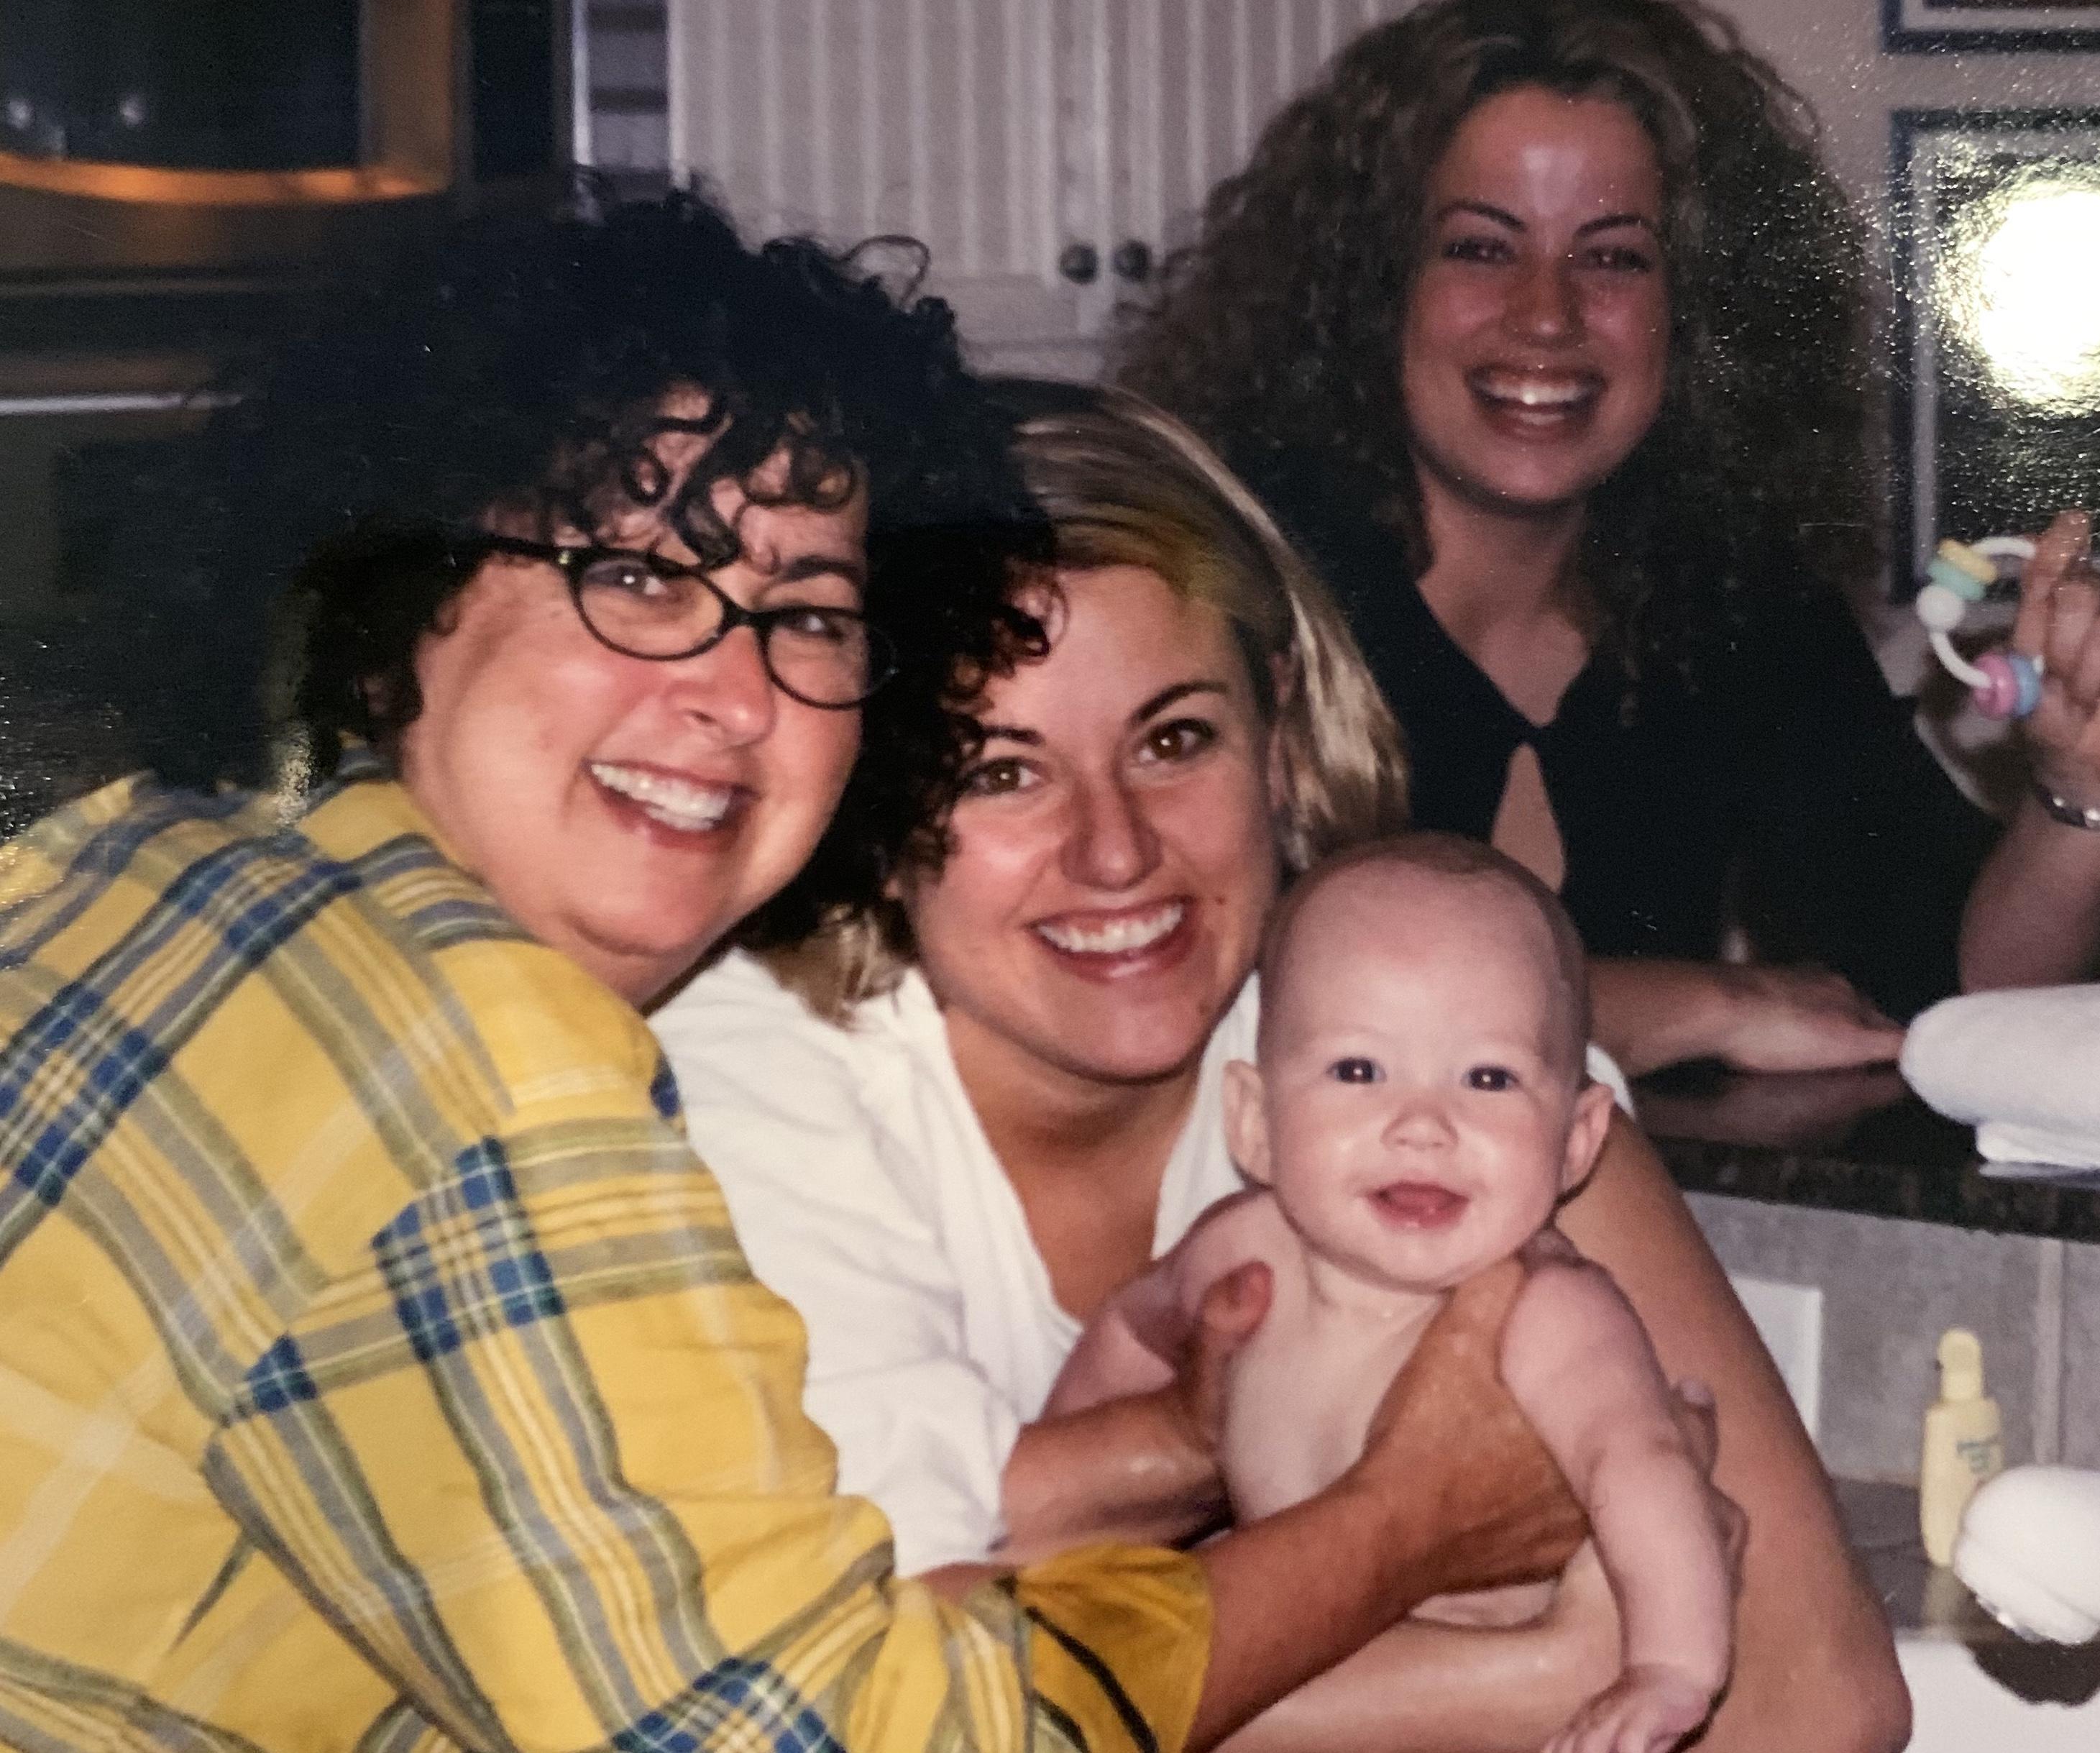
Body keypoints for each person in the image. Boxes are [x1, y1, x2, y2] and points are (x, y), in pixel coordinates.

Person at [0, 195, 1584, 1753]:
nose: (735, 695)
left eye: (807, 616)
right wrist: (1402, 1525)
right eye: (637, 579)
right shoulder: (480, 1070)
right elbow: (838, 1739)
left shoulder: (147, 865)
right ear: (389, 610)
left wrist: (1183, 1440)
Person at [657, 383, 1911, 1752]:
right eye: (1000, 772)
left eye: (1173, 740)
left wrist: (1143, 1487)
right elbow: (875, 1700)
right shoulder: (744, 1079)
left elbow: (1817, 1700)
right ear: (873, 800)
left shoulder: (1431, 1069)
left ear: (1279, 730)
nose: (1115, 852)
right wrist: (1520, 1659)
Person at [1116, 0, 2100, 1076]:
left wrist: (2084, 791)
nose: (1546, 314)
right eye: (1481, 248)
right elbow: (1195, 1003)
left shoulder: (1729, 599)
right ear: (1374, 291)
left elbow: (1954, 997)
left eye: (1614, 256)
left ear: (1697, 311)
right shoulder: (1220, 584)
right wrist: (1683, 1002)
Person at [1048, 834, 1733, 1753]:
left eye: (1487, 1078)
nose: (1421, 1125)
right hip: (1306, 1676)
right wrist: (1071, 1532)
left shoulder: (1545, 1313)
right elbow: (1131, 1331)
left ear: (1577, 1139)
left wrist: (1671, 1669)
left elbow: (1642, 1461)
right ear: (1254, 1121)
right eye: (1358, 1070)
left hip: (1477, 1723)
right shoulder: (1239, 1254)